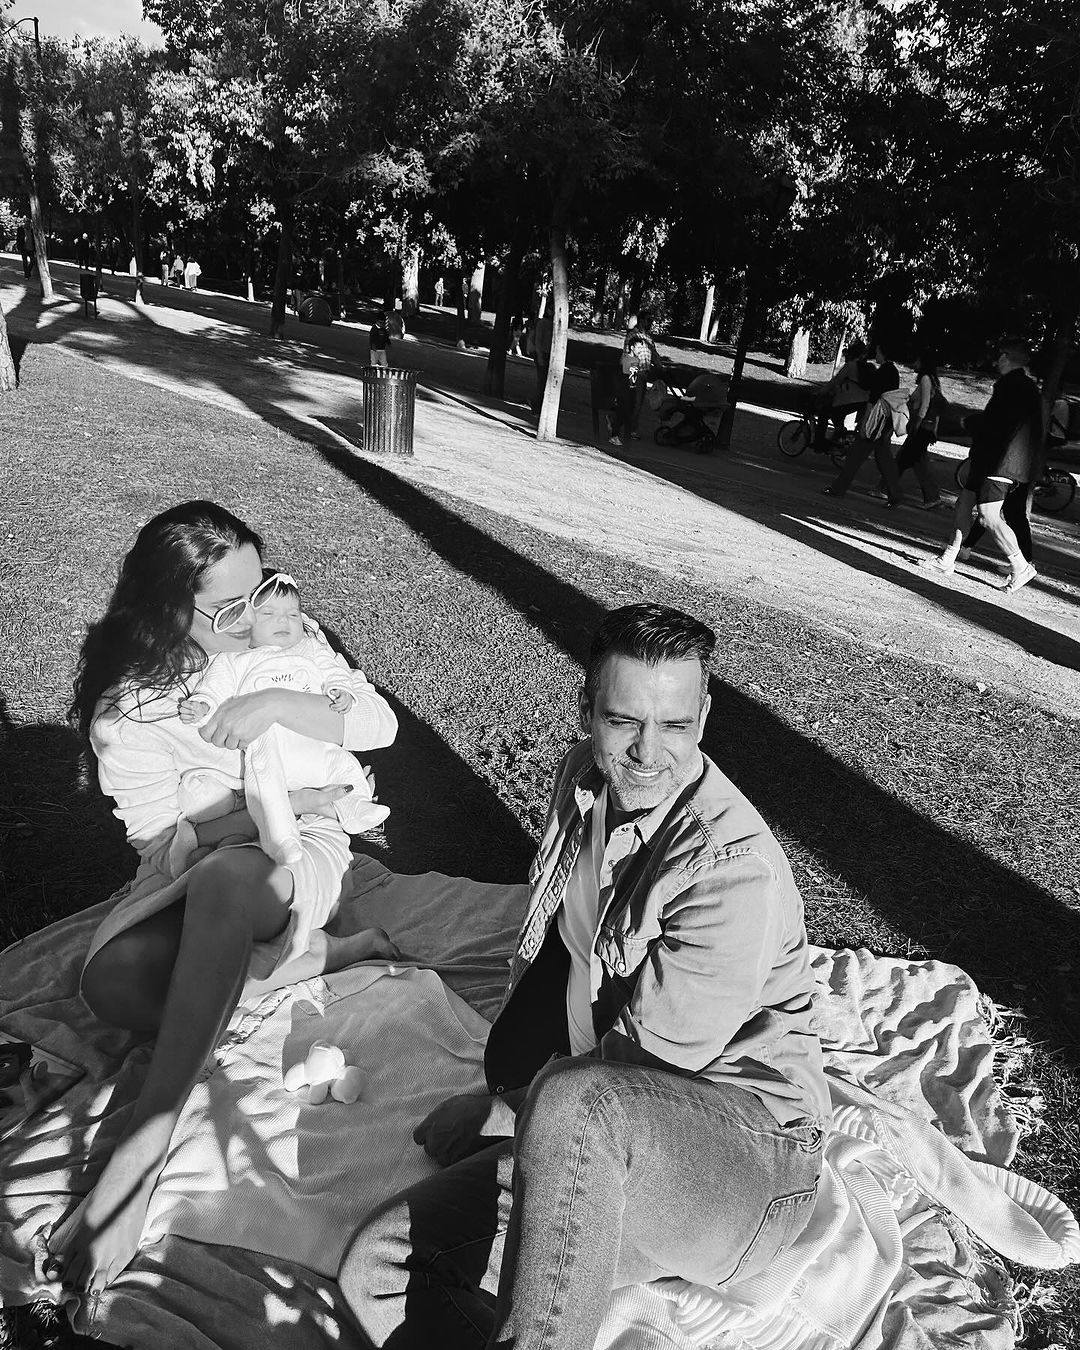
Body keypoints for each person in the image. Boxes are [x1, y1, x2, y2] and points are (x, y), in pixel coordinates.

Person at [340, 602, 829, 1350]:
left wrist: (506, 1115)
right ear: (587, 710)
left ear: (704, 713)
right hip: (599, 1135)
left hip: (749, 1157)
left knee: (580, 1099)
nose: (647, 752)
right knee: (380, 1270)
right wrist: (506, 1092)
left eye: (675, 725)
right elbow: (556, 956)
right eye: (623, 721)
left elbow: (639, 1079)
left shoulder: (733, 872)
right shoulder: (581, 780)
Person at [44, 501, 400, 1297]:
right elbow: (159, 842)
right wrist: (266, 809)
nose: (256, 616)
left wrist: (285, 724)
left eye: (261, 589)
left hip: (299, 854)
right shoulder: (132, 710)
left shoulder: (290, 643)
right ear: (171, 607)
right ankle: (318, 957)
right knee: (111, 986)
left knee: (228, 879)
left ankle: (144, 1144)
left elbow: (363, 732)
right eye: (229, 606)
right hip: (198, 864)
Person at [177, 568, 389, 866]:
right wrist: (201, 706)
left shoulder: (312, 648)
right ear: (244, 622)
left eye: (293, 614)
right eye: (270, 615)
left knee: (345, 765)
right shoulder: (235, 659)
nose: (285, 621)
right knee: (266, 787)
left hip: (316, 747)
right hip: (271, 746)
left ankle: (356, 808)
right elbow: (215, 690)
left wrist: (342, 692)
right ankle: (280, 839)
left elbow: (335, 674)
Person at [920, 337, 1043, 593]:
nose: (996, 361)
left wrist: (971, 424)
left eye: (999, 356)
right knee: (963, 503)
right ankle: (948, 559)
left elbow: (998, 423)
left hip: (1001, 461)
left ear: (1007, 358)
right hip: (994, 458)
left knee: (988, 517)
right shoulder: (1022, 386)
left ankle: (1021, 565)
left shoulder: (1013, 385)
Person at [823, 339, 904, 503]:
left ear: (883, 353)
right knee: (884, 458)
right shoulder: (893, 372)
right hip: (885, 418)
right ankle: (895, 495)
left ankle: (838, 488)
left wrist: (865, 419)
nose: (876, 355)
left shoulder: (882, 372)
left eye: (879, 352)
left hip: (875, 418)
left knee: (855, 456)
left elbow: (873, 398)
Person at [883, 352, 945, 508]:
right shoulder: (932, 380)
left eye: (917, 360)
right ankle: (932, 497)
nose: (915, 363)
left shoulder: (925, 380)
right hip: (927, 428)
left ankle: (886, 489)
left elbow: (925, 405)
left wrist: (916, 424)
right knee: (919, 462)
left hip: (922, 427)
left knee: (902, 460)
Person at [609, 312, 658, 445]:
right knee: (630, 404)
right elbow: (626, 358)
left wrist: (659, 366)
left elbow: (654, 354)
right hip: (635, 373)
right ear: (642, 320)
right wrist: (632, 378)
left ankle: (625, 427)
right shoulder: (633, 336)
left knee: (635, 404)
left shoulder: (648, 337)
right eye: (649, 320)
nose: (650, 323)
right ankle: (618, 429)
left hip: (641, 373)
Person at [811, 340, 868, 451]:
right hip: (863, 400)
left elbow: (835, 381)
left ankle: (820, 443)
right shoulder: (867, 367)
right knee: (837, 415)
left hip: (850, 400)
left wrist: (821, 392)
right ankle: (838, 438)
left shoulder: (850, 366)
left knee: (825, 412)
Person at [529, 308, 553, 414]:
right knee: (541, 382)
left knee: (546, 382)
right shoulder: (543, 323)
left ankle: (541, 406)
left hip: (550, 355)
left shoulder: (554, 324)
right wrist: (540, 357)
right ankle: (536, 407)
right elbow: (538, 341)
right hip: (543, 354)